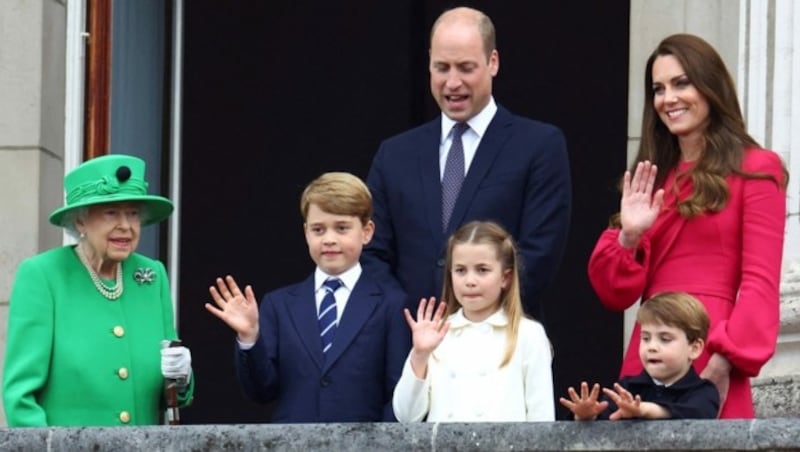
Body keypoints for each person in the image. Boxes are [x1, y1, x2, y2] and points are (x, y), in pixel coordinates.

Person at [588, 33, 788, 419]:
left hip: (712, 346)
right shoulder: (651, 175)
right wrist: (628, 236)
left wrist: (727, 357)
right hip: (650, 353)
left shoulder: (757, 167)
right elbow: (613, 294)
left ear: (711, 86)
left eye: (682, 83)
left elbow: (760, 282)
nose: (669, 99)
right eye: (658, 89)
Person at [362, 6, 571, 322]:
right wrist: (410, 319)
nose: (452, 82)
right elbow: (372, 251)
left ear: (493, 62)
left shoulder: (538, 146)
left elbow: (538, 255)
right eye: (442, 67)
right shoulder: (395, 154)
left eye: (466, 67)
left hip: (499, 345)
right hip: (412, 344)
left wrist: (472, 321)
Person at [3, 154, 194, 427]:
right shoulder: (43, 276)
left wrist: (181, 376)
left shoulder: (152, 277)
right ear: (80, 221)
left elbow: (172, 394)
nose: (126, 226)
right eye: (111, 213)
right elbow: (20, 398)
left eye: (133, 213)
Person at [205, 172, 409, 422]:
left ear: (367, 232)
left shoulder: (391, 304)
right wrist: (249, 338)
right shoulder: (279, 305)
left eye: (342, 228)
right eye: (318, 229)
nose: (329, 239)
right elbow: (261, 390)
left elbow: (397, 394)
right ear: (306, 233)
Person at [392, 221, 554, 422]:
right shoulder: (438, 333)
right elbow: (406, 417)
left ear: (506, 278)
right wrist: (420, 355)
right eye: (460, 270)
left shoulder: (528, 334)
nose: (470, 281)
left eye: (482, 270)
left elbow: (542, 420)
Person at [560, 292, 719, 420]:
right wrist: (587, 415)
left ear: (695, 348)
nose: (652, 347)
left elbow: (697, 414)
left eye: (665, 339)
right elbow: (605, 415)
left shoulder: (703, 391)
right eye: (645, 338)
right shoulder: (628, 388)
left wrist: (646, 409)